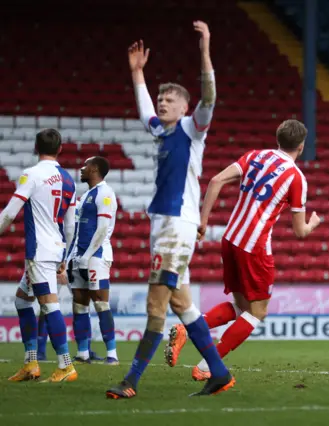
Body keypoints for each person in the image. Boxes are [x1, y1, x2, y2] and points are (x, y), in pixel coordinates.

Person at [106, 20, 233, 399]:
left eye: (170, 100)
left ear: (185, 107)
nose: (162, 103)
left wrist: (205, 48)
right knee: (182, 304)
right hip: (162, 225)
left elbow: (209, 97)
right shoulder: (161, 130)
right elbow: (145, 108)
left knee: (155, 303)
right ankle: (220, 373)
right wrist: (138, 74)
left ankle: (131, 381)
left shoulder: (193, 130)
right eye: (161, 99)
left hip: (178, 226)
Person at [164, 119, 320, 381]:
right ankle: (206, 367)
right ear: (301, 146)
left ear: (278, 139)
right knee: (258, 311)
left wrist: (202, 222)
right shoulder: (296, 177)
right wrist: (313, 223)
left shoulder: (255, 156)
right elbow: (299, 231)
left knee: (242, 306)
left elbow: (215, 181)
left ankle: (186, 328)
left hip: (230, 238)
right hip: (254, 246)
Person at [1, 128, 78, 382]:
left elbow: (11, 212)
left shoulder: (31, 175)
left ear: (36, 148)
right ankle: (31, 363)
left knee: (49, 304)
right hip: (55, 248)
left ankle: (66, 365)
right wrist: (64, 257)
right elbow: (70, 225)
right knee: (23, 300)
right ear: (60, 149)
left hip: (39, 252)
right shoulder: (68, 179)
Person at [70, 156, 119, 365]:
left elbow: (101, 229)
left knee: (100, 303)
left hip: (96, 257)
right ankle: (83, 353)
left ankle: (112, 354)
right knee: (79, 305)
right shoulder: (86, 195)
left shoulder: (105, 193)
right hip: (78, 256)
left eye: (85, 166)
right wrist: (73, 257)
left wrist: (88, 256)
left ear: (95, 169)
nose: (81, 169)